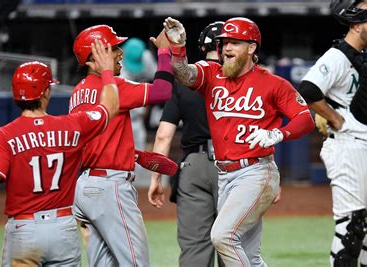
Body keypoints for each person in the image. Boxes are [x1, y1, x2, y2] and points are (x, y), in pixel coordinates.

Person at [162, 17, 315, 266]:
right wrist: (178, 48)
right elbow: (184, 74)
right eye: (223, 43)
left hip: (256, 170)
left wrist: (279, 134)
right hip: (224, 175)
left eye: (234, 43)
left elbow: (305, 118)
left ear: (252, 47)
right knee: (249, 255)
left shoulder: (273, 83)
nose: (226, 49)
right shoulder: (212, 74)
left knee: (222, 236)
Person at [0, 54, 120, 266]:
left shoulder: (4, 135)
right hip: (62, 229)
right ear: (46, 92)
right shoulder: (73, 125)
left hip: (24, 231)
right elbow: (110, 107)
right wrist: (107, 73)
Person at [298, 1, 367, 266]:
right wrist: (332, 116)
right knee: (351, 228)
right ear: (356, 25)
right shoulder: (337, 56)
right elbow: (307, 89)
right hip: (348, 145)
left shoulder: (362, 54)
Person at [70, 25, 173, 266]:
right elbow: (163, 91)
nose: (120, 52)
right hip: (110, 188)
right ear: (95, 57)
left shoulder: (77, 92)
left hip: (85, 186)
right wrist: (165, 54)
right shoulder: (112, 87)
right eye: (113, 48)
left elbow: (95, 138)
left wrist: (130, 153)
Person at [148, 21, 226, 267]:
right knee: (235, 246)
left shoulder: (185, 82)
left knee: (194, 249)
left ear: (202, 48)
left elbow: (163, 136)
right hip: (235, 164)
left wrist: (156, 179)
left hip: (193, 165)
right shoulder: (243, 81)